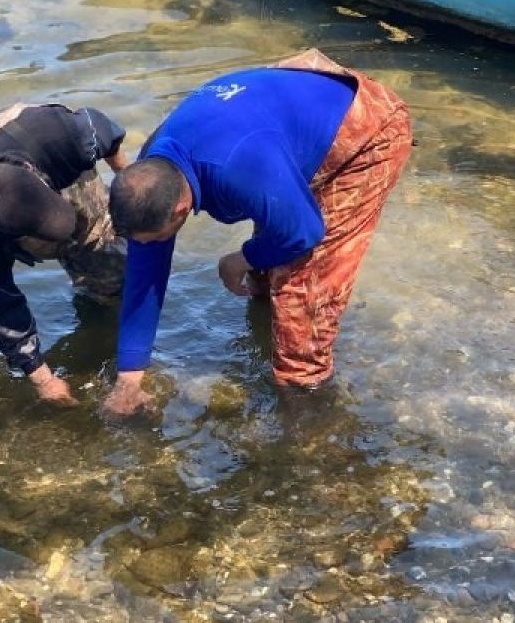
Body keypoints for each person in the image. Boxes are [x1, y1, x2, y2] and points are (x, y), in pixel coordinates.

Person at [103, 48, 413, 418]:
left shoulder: (236, 168)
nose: (149, 247)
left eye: (154, 239)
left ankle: (310, 411)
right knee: (270, 261)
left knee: (303, 288)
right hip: (280, 114)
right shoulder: (150, 179)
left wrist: (240, 258)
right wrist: (129, 380)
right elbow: (144, 278)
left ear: (180, 210)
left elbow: (304, 231)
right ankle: (266, 318)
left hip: (366, 128)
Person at [0, 102, 128, 404]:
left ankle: (104, 301)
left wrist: (129, 184)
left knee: (105, 256)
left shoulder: (61, 134)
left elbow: (107, 133)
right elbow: (2, 307)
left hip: (34, 145)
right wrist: (43, 380)